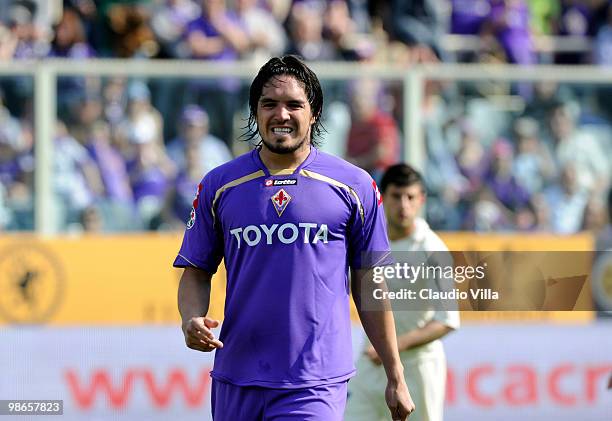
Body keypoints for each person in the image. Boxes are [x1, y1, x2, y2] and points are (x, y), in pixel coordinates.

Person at [174, 55, 414, 421]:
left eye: (294, 104)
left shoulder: (354, 185)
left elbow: (371, 283)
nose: (281, 114)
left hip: (314, 382)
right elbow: (196, 269)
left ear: (314, 112)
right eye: (269, 104)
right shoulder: (220, 185)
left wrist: (395, 373)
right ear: (255, 112)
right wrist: (190, 318)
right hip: (237, 377)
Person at [346, 163, 459, 421]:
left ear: (422, 200)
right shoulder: (367, 239)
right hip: (371, 364)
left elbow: (446, 322)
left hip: (417, 368)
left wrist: (391, 347)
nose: (404, 205)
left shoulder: (433, 250)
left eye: (411, 197)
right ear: (383, 198)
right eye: (397, 196)